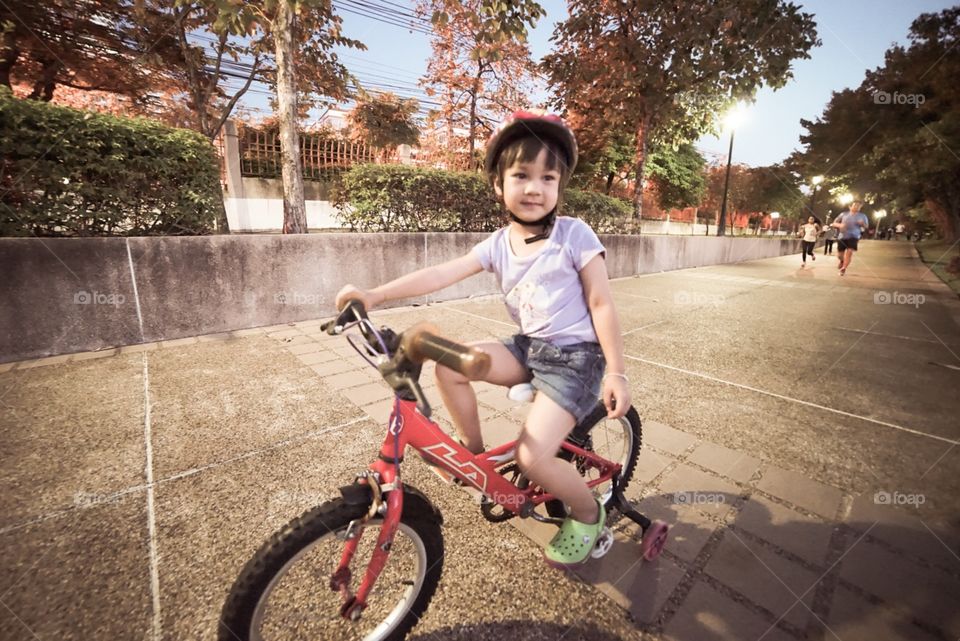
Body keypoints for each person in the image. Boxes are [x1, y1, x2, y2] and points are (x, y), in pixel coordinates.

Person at [334, 111, 630, 569]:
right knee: (450, 365)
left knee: (533, 457)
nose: (534, 187)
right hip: (530, 348)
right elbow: (439, 273)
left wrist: (616, 371)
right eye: (521, 175)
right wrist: (376, 295)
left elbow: (601, 304)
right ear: (499, 184)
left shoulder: (574, 234)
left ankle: (589, 514)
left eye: (547, 177)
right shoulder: (497, 244)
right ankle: (472, 456)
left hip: (577, 361)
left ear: (559, 187)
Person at [831, 201, 869, 275]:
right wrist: (840, 225)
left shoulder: (863, 216)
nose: (857, 207)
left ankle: (843, 268)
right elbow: (834, 223)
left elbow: (866, 226)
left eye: (859, 206)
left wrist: (862, 224)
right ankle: (842, 261)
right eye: (855, 205)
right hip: (842, 236)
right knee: (840, 255)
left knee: (849, 252)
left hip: (854, 236)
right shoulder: (843, 214)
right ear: (850, 206)